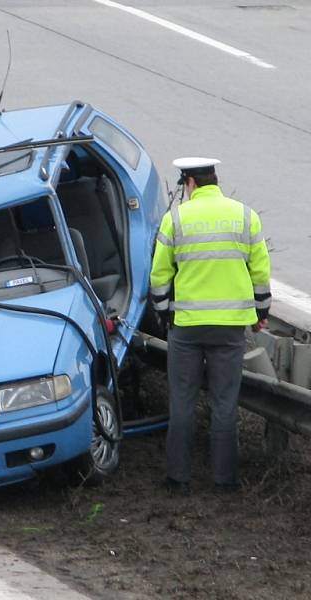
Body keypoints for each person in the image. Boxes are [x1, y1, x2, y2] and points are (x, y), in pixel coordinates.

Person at [150, 157, 271, 495]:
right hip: (230, 329)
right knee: (224, 404)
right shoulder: (246, 217)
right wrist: (261, 311)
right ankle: (225, 482)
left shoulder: (175, 219)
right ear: (214, 180)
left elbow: (160, 274)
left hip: (186, 328)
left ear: (189, 183)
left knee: (183, 403)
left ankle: (178, 480)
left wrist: (163, 313)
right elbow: (260, 272)